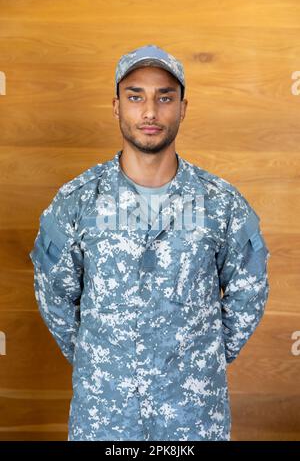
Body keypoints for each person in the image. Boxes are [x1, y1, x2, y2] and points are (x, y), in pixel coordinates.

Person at [29, 44, 271, 441]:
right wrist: (101, 360)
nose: (150, 112)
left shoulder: (221, 202)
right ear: (116, 106)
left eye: (165, 97)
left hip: (193, 418)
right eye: (135, 96)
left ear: (183, 107)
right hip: (105, 417)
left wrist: (202, 358)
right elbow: (53, 295)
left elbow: (250, 289)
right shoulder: (77, 200)